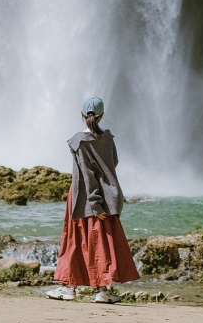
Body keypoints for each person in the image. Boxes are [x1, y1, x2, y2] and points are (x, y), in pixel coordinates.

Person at [47, 96, 140, 304]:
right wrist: (101, 199)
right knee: (101, 242)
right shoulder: (108, 138)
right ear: (102, 115)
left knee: (75, 241)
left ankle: (68, 288)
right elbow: (112, 164)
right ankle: (102, 291)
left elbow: (86, 175)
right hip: (105, 196)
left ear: (82, 115)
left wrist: (93, 202)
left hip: (83, 197)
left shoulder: (79, 141)